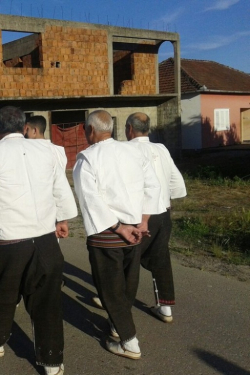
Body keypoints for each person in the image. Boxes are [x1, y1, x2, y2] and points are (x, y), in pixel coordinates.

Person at [0, 106, 77, 375]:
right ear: (24, 127)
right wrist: (63, 219)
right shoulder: (46, 150)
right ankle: (52, 361)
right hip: (45, 239)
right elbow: (59, 186)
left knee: (1, 293)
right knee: (47, 300)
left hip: (8, 242)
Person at [72, 110, 162, 360]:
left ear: (90, 130)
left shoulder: (87, 159)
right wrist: (143, 221)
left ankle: (129, 341)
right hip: (136, 231)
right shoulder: (133, 151)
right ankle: (116, 324)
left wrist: (119, 227)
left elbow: (90, 199)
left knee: (110, 288)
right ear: (111, 128)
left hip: (109, 234)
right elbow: (153, 186)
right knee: (127, 283)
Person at [125, 112, 186, 323]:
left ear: (129, 129)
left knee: (128, 259)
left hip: (140, 216)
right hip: (163, 212)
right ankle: (165, 307)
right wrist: (167, 202)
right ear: (148, 128)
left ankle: (119, 308)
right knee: (161, 258)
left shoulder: (126, 150)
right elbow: (176, 181)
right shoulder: (161, 149)